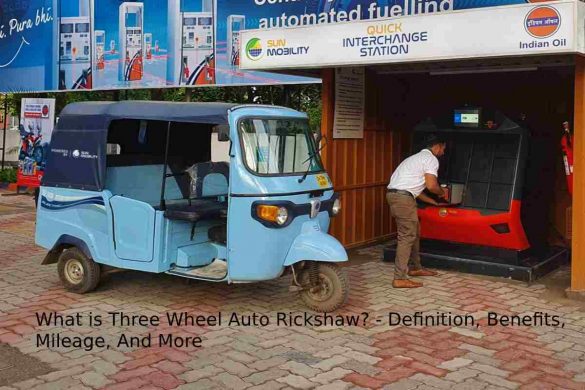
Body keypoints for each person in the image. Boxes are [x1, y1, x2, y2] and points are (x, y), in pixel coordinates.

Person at [387, 134, 447, 288]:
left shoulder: (415, 158)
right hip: (403, 199)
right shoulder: (431, 159)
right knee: (407, 236)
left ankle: (416, 268)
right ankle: (399, 277)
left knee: (415, 232)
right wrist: (443, 193)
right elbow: (432, 185)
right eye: (443, 148)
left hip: (398, 196)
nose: (443, 152)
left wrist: (432, 202)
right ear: (437, 146)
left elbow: (415, 189)